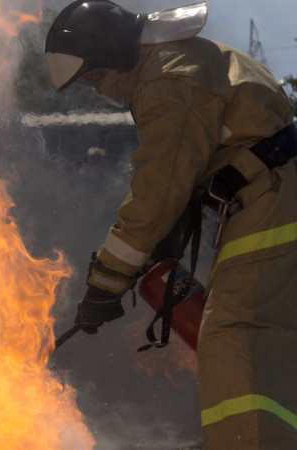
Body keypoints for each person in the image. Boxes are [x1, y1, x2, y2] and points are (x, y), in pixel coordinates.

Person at [44, 1, 297, 448]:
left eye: (97, 78)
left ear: (113, 54)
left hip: (273, 203)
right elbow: (191, 171)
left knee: (234, 334)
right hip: (273, 193)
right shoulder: (184, 61)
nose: (101, 92)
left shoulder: (167, 81)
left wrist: (105, 282)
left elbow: (157, 192)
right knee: (271, 340)